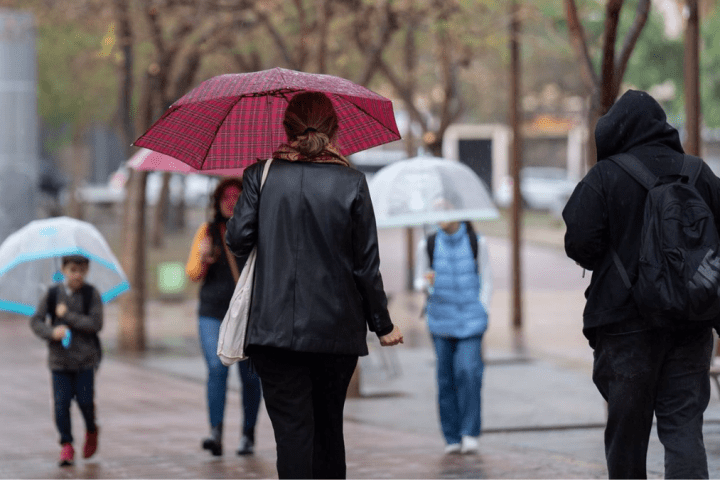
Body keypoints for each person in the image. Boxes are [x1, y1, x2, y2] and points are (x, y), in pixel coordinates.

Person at [225, 91, 404, 479]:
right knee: (328, 432)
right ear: (335, 128)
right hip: (335, 333)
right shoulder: (352, 182)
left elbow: (238, 240)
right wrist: (383, 325)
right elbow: (366, 267)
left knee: (292, 436)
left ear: (286, 129)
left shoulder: (261, 175)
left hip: (272, 332)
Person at [563, 89, 720, 479]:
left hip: (625, 327)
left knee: (627, 439)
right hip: (690, 322)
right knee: (684, 430)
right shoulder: (698, 172)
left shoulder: (606, 175)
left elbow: (578, 241)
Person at [185, 177, 262, 456]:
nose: (231, 202)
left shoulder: (257, 231)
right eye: (225, 197)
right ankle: (215, 433)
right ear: (217, 202)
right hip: (213, 313)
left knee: (251, 377)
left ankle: (248, 435)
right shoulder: (207, 231)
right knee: (217, 369)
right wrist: (204, 258)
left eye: (237, 197)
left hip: (248, 315)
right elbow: (193, 274)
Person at [414, 218, 492, 455]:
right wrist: (425, 283)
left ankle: (470, 431)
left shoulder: (477, 242)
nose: (440, 216)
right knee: (445, 378)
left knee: (468, 372)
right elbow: (419, 279)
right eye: (436, 210)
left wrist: (483, 308)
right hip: (440, 321)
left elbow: (486, 278)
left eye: (445, 209)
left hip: (471, 320)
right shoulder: (427, 244)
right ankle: (451, 436)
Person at [29, 254, 103, 467]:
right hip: (59, 363)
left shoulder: (91, 295)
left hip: (85, 361)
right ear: (63, 270)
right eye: (72, 270)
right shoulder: (52, 295)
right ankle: (66, 444)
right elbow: (35, 321)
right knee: (61, 406)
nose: (77, 275)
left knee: (85, 403)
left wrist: (68, 315)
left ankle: (91, 428)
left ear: (87, 271)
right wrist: (52, 333)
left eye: (81, 271)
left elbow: (96, 324)